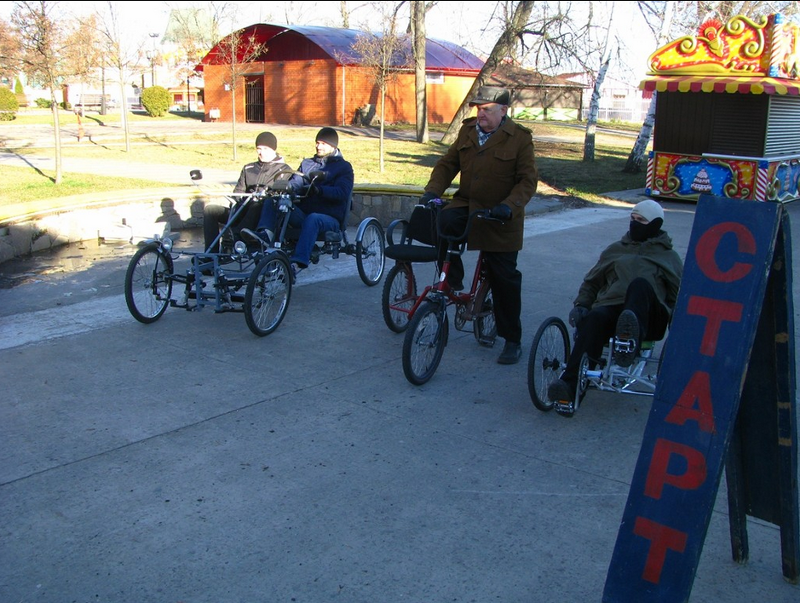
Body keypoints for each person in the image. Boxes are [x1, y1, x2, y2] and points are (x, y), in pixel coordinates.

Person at [419, 86, 538, 365]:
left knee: (504, 278)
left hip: (501, 216)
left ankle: (512, 339)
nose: (480, 114)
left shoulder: (519, 139)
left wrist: (508, 206)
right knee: (443, 220)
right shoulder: (469, 131)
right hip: (468, 206)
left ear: (504, 111)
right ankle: (453, 276)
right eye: (478, 109)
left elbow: (527, 181)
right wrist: (433, 191)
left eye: (486, 109)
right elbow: (448, 164)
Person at [547, 199, 684, 416]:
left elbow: (680, 296)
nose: (635, 224)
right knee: (595, 318)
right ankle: (569, 385)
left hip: (649, 317)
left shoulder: (669, 257)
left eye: (641, 221)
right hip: (612, 309)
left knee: (639, 285)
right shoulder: (615, 250)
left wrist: (680, 321)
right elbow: (592, 282)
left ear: (656, 224)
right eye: (633, 219)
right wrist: (582, 305)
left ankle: (629, 339)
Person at [242, 127, 354, 278]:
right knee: (274, 201)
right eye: (317, 143)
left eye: (323, 143)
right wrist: (286, 188)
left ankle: (296, 263)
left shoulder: (343, 167)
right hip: (304, 214)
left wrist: (320, 191)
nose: (318, 146)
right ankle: (265, 236)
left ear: (333, 146)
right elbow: (296, 182)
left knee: (313, 218)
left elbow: (342, 193)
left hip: (329, 217)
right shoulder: (308, 163)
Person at [203, 131, 292, 252]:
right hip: (242, 209)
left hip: (262, 211)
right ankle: (210, 253)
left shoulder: (284, 170)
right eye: (258, 149)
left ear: (273, 149)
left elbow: (278, 194)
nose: (261, 152)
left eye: (265, 148)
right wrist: (237, 202)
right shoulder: (248, 168)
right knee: (210, 210)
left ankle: (236, 237)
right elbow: (238, 192)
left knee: (256, 203)